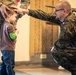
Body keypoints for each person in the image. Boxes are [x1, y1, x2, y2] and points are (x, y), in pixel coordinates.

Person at [14, 0, 76, 75]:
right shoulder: (64, 17)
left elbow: (63, 41)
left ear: (64, 11)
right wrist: (25, 11)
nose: (54, 12)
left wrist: (54, 48)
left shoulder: (69, 22)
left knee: (56, 52)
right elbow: (44, 15)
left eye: (56, 10)